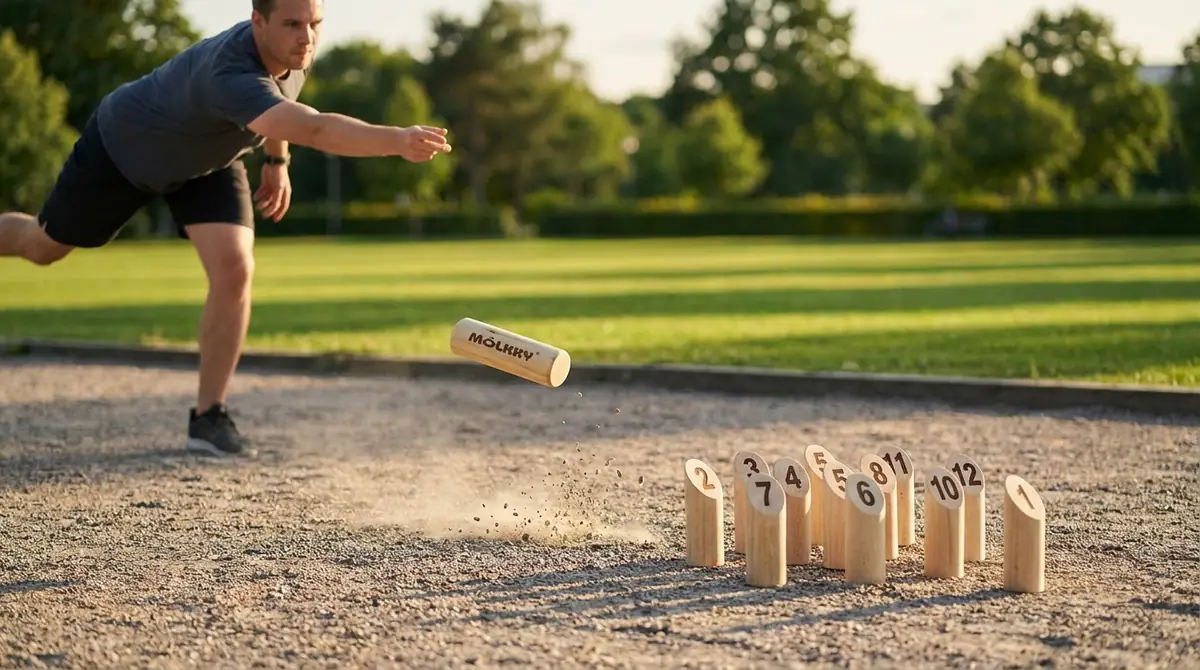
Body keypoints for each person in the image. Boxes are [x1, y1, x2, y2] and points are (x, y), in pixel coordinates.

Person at [0, 0, 452, 458]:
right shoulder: (229, 72)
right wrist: (397, 139)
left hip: (209, 160)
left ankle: (209, 417)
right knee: (41, 246)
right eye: (293, 24)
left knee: (235, 269)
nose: (307, 37)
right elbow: (314, 128)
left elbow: (282, 103)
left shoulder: (292, 52)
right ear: (258, 22)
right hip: (126, 149)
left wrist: (276, 160)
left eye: (315, 23)